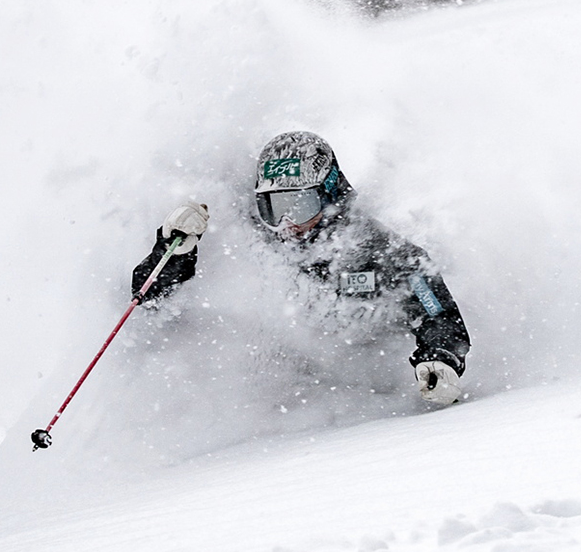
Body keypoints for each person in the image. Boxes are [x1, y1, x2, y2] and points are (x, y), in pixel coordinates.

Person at [128, 131, 472, 405]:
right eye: (274, 208)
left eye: (300, 204)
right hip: (271, 402)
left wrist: (440, 356)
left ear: (329, 194)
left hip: (358, 398)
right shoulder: (246, 236)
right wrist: (173, 254)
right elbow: (152, 306)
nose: (288, 223)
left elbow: (437, 313)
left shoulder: (381, 250)